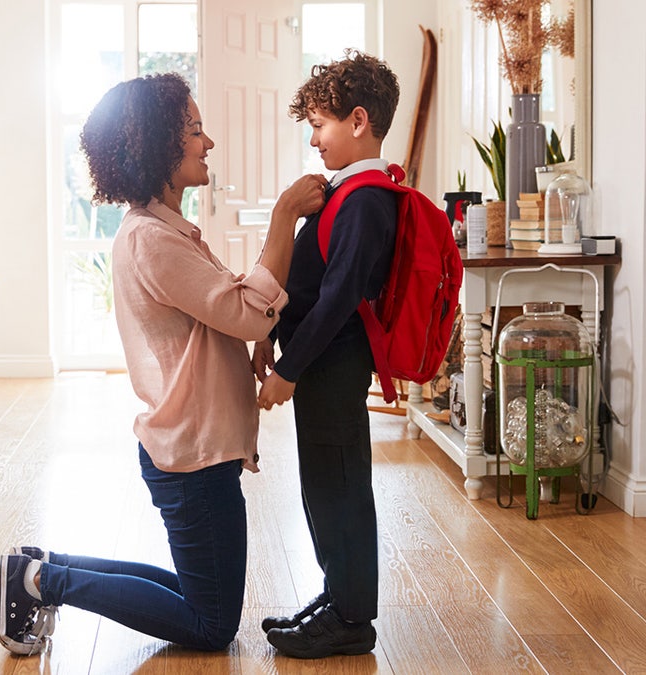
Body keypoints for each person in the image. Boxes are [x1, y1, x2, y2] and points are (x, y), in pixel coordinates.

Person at [0, 72, 328, 656]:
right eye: (195, 131)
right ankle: (44, 582)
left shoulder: (164, 230)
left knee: (201, 595)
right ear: (157, 147)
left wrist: (250, 331)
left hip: (193, 449)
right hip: (193, 457)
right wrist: (283, 218)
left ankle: (41, 566)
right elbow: (248, 312)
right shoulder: (153, 239)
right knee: (211, 623)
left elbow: (225, 311)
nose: (209, 143)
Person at [251, 50, 401, 659]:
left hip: (332, 366)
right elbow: (311, 282)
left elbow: (338, 298)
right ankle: (338, 598)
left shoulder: (366, 198)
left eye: (320, 125)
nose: (313, 139)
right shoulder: (346, 192)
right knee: (323, 485)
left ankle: (352, 618)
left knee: (338, 488)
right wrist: (270, 329)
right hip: (322, 365)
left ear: (358, 120)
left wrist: (289, 369)